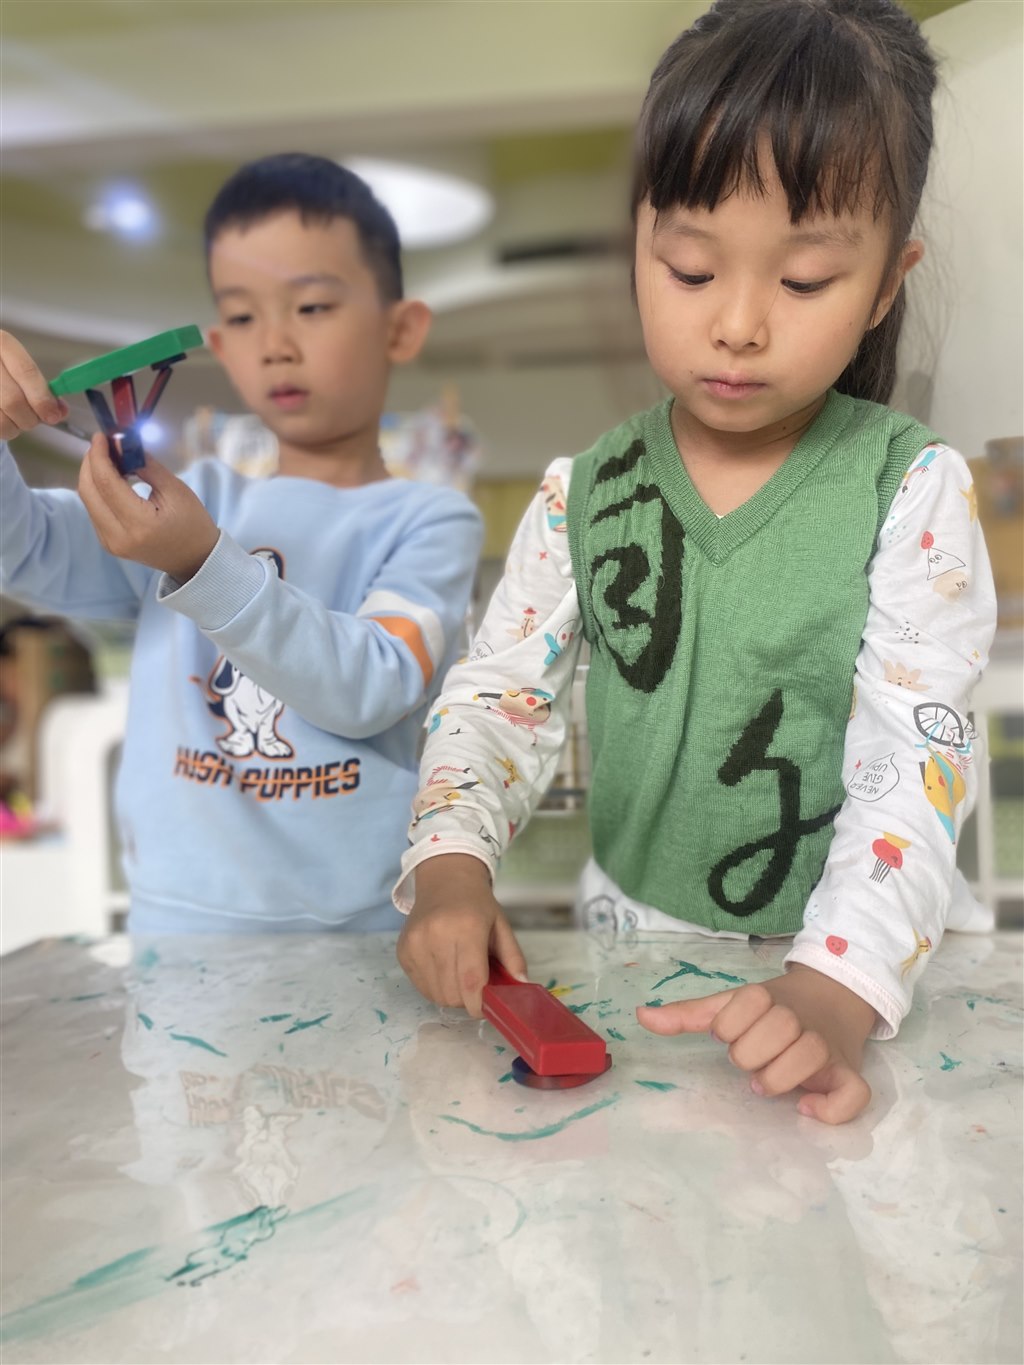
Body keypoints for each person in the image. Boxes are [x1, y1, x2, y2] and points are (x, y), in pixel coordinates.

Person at [395, 0, 997, 1123]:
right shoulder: (584, 494)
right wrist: (449, 868)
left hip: (861, 981)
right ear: (640, 241)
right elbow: (493, 702)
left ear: (886, 283)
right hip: (638, 959)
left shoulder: (908, 489)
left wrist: (834, 991)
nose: (738, 324)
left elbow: (914, 757)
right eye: (687, 267)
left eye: (803, 281)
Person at [0, 153, 482, 933]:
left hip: (356, 942)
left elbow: (374, 684)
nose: (276, 343)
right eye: (245, 316)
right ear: (221, 347)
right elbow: (25, 551)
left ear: (400, 328)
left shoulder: (429, 520)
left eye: (313, 306)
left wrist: (200, 563)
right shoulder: (193, 499)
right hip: (172, 934)